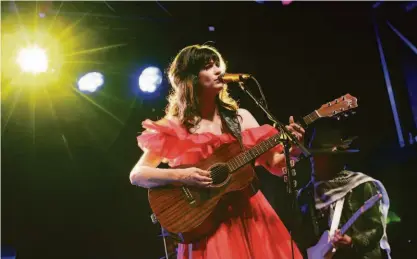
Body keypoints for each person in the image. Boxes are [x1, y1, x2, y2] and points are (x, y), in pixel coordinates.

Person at [129, 44, 306, 259]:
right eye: (208, 66)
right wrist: (184, 175)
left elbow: (276, 166)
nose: (218, 71)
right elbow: (138, 175)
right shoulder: (175, 127)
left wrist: (293, 149)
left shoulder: (240, 118)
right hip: (207, 225)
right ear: (190, 78)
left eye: (217, 65)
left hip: (251, 217)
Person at [295, 120, 391, 259]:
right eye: (312, 154)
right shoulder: (305, 194)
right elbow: (302, 236)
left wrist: (352, 241)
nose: (313, 159)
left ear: (334, 159)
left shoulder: (361, 185)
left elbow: (376, 229)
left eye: (320, 155)